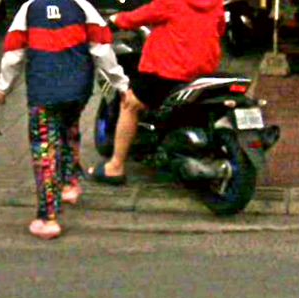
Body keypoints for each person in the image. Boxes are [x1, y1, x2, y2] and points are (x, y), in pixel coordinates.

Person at [0, 0, 130, 240]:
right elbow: (102, 49)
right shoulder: (82, 6)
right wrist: (121, 83)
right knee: (70, 129)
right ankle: (69, 184)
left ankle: (48, 218)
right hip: (77, 90)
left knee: (44, 151)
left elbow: (13, 54)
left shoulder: (29, 9)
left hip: (44, 92)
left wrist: (3, 87)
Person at [88, 0, 227, 185]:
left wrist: (114, 20)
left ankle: (115, 167)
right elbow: (220, 30)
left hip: (168, 72)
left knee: (130, 104)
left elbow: (138, 17)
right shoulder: (215, 3)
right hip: (202, 73)